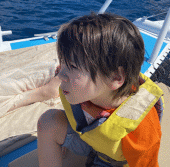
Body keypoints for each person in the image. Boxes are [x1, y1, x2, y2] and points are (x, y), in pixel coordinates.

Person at [37, 12, 164, 167]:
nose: (61, 74)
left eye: (73, 67)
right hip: (90, 139)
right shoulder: (84, 88)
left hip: (116, 160)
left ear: (115, 78)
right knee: (48, 121)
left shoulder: (140, 128)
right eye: (62, 63)